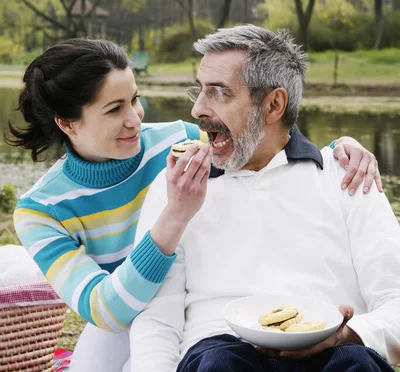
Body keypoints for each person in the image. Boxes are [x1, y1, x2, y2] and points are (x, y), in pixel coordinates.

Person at [8, 37, 380, 372]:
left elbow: (261, 138)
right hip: (118, 317)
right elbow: (105, 309)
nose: (134, 119)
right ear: (68, 124)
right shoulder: (40, 210)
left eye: (135, 100)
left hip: (179, 299)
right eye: (113, 109)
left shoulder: (177, 140)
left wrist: (338, 149)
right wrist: (175, 214)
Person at [128, 25, 400, 372]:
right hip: (220, 355)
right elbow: (157, 321)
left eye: (218, 93)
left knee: (355, 364)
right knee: (217, 362)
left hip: (335, 354)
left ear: (273, 105)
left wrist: (346, 336)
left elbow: (396, 302)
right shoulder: (177, 189)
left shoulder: (347, 175)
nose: (197, 109)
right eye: (199, 91)